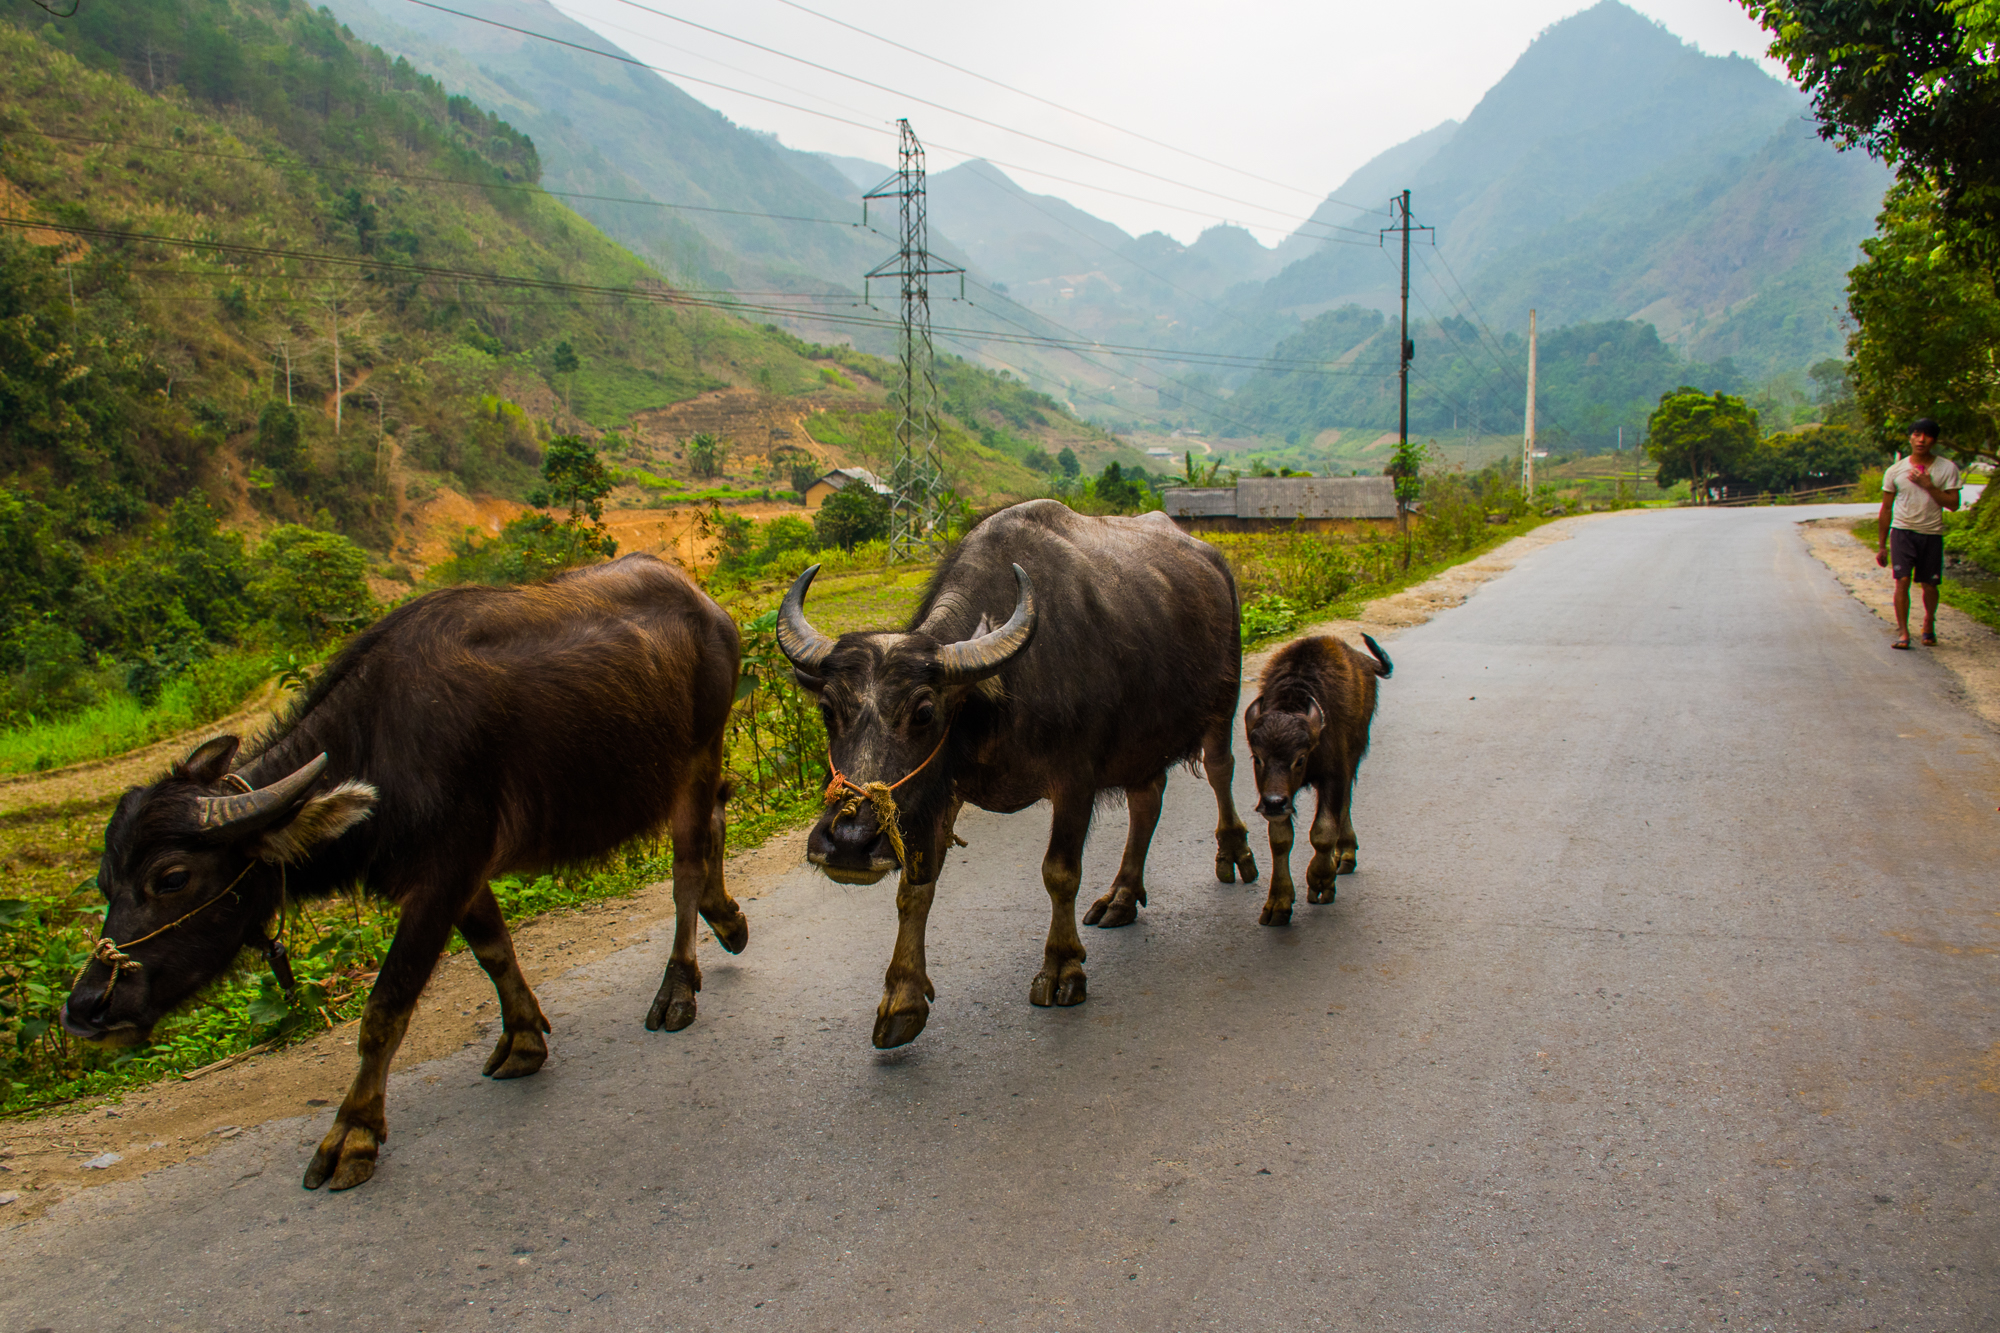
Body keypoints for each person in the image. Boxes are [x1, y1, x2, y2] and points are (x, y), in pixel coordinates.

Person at [1875, 417, 1962, 648]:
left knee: (1929, 585)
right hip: (1902, 532)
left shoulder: (1947, 469)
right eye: (1916, 434)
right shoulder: (1895, 470)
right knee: (1902, 580)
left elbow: (1954, 504)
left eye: (1927, 435)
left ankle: (1929, 621)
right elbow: (1886, 509)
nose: (1921, 440)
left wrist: (1929, 485)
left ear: (1934, 440)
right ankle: (1903, 633)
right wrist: (1882, 545)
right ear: (1910, 438)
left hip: (1931, 533)